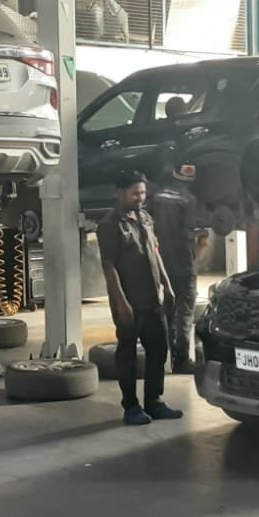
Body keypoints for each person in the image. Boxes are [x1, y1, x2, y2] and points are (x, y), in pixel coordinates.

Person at [98, 170, 183, 426]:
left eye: (143, 193)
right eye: (135, 193)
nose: (140, 198)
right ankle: (131, 407)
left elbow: (155, 253)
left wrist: (166, 284)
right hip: (130, 303)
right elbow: (108, 266)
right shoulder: (110, 224)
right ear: (120, 193)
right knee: (127, 355)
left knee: (159, 350)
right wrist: (121, 302)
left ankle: (154, 402)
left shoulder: (145, 217)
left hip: (153, 299)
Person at [149, 162, 206, 374]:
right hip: (184, 263)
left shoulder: (157, 197)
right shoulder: (188, 199)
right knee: (185, 312)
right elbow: (189, 232)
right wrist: (203, 232)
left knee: (168, 310)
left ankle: (167, 357)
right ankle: (181, 360)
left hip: (162, 264)